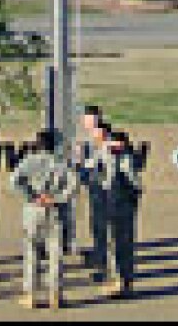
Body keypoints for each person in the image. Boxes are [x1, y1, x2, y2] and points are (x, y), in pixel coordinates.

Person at [10, 128, 79, 310]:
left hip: (34, 208)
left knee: (32, 250)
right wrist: (56, 198)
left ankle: (31, 294)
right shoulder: (61, 163)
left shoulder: (29, 161)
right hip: (55, 208)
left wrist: (32, 196)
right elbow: (73, 186)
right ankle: (55, 294)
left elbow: (15, 181)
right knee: (55, 253)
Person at [102, 129, 142, 299]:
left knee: (122, 244)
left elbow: (135, 183)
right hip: (117, 203)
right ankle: (121, 281)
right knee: (117, 244)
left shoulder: (124, 159)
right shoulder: (112, 157)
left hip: (121, 203)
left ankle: (122, 283)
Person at [74, 111, 110, 281]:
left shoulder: (107, 146)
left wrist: (83, 164)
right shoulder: (87, 142)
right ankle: (99, 257)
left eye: (92, 122)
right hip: (95, 190)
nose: (88, 126)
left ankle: (104, 264)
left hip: (105, 192)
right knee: (96, 225)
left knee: (103, 227)